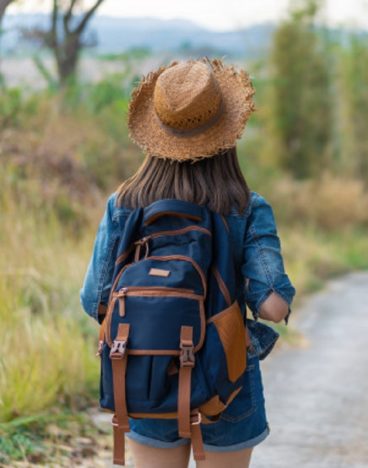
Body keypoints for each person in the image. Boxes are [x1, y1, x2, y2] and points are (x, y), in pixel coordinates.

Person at [79, 58, 296, 468]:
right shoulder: (246, 207)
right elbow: (272, 307)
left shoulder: (124, 206)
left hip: (146, 379)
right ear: (226, 134)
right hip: (225, 385)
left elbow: (95, 300)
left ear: (156, 136)